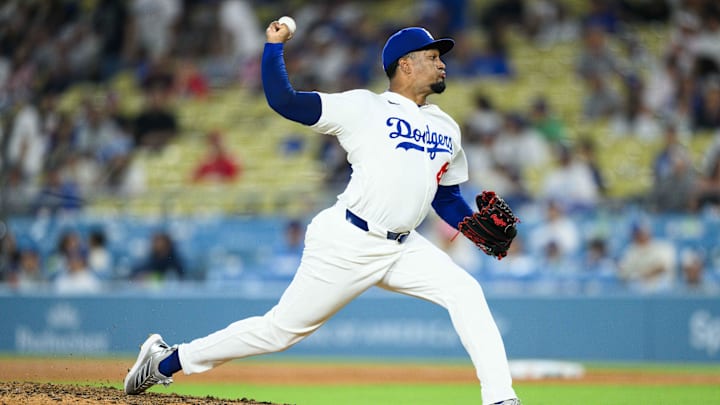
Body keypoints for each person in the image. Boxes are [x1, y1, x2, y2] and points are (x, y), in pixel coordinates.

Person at [123, 24, 521, 405]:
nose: (442, 63)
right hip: (348, 240)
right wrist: (274, 46)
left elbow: (447, 199)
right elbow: (285, 100)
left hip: (404, 247)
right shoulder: (364, 107)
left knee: (466, 292)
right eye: (433, 56)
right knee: (278, 332)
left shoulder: (447, 127)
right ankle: (164, 361)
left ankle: (501, 398)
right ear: (405, 64)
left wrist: (472, 229)